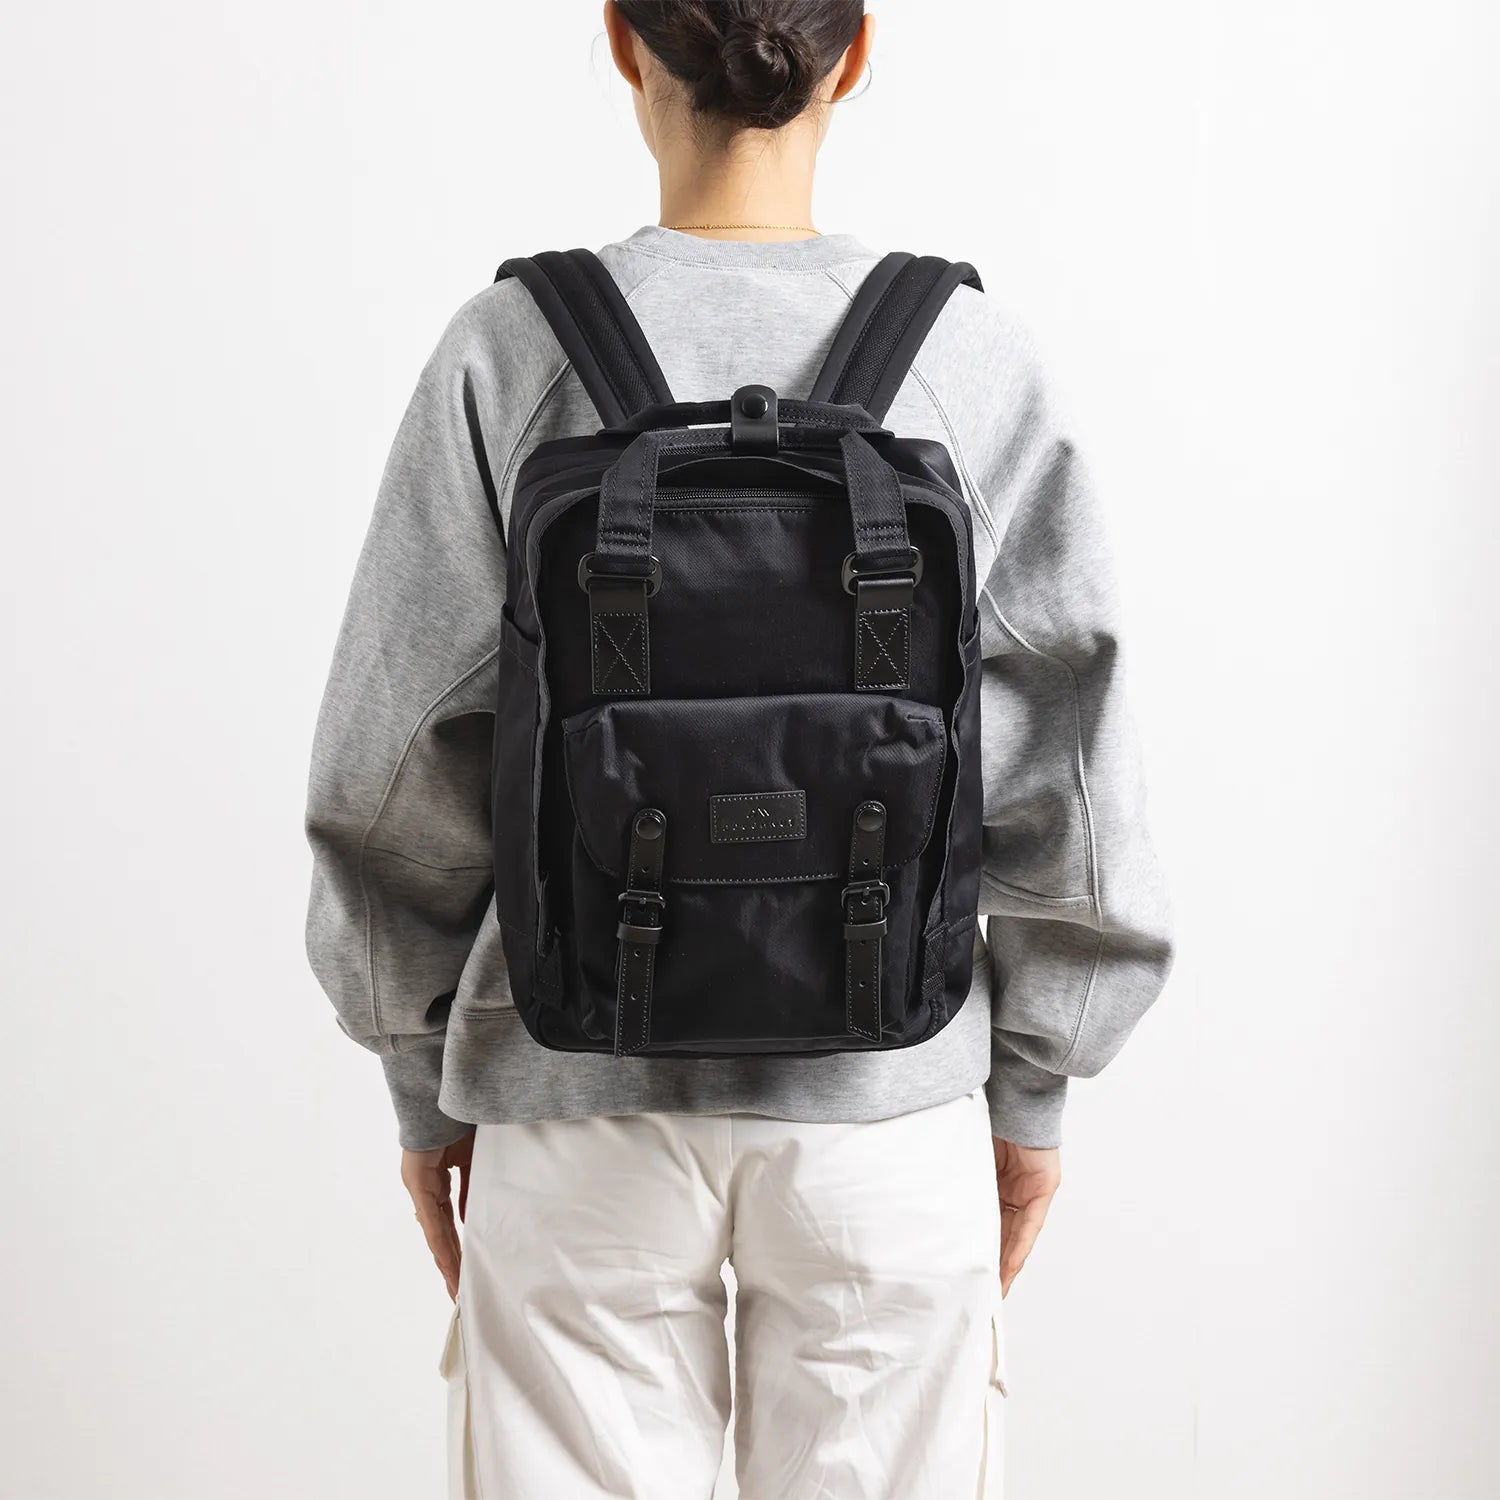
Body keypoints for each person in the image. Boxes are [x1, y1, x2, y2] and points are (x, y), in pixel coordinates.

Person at [303, 2, 1173, 1495]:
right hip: (887, 1112)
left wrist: (421, 1077)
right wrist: (1034, 1084)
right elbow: (1070, 765)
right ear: (856, 51)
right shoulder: (971, 359)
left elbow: (391, 771)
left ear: (623, 41)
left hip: (574, 1103)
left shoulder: (507, 350)